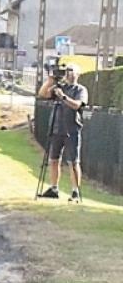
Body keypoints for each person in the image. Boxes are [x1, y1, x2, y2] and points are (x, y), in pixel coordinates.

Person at [39, 63, 87, 200]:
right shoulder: (60, 87)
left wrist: (63, 97)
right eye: (67, 71)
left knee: (73, 161)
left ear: (78, 74)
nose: (68, 73)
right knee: (54, 159)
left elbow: (77, 105)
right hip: (57, 128)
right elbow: (43, 94)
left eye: (71, 71)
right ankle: (54, 189)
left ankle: (75, 191)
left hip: (72, 129)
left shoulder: (80, 90)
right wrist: (50, 80)